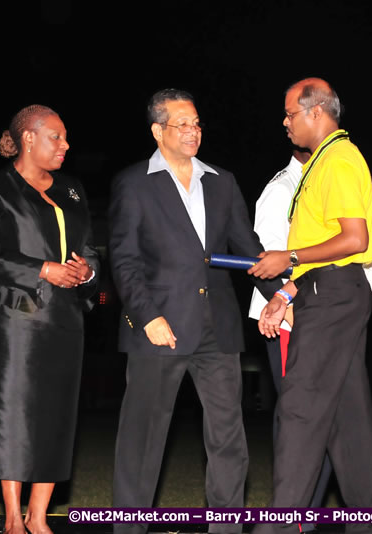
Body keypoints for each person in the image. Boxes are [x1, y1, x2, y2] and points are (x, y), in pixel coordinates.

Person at [109, 88, 280, 534]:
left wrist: (283, 292)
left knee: (228, 439)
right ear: (157, 130)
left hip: (217, 330)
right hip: (158, 328)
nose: (193, 132)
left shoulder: (221, 180)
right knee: (143, 440)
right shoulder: (133, 182)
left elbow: (249, 250)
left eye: (197, 123)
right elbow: (124, 259)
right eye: (182, 124)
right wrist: (147, 316)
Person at [249, 78, 372, 534]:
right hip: (327, 290)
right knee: (348, 417)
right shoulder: (322, 164)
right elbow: (325, 251)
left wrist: (288, 258)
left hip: (335, 294)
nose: (284, 123)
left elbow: (355, 240)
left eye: (290, 114)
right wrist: (287, 292)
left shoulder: (339, 160)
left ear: (316, 112)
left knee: (300, 407)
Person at [0, 105, 99, 534]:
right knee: (14, 415)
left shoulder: (73, 189)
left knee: (57, 416)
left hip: (66, 320)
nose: (65, 145)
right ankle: (12, 516)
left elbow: (91, 249)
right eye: (56, 137)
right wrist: (43, 269)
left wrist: (87, 271)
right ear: (28, 137)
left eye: (65, 138)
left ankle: (39, 516)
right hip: (15, 321)